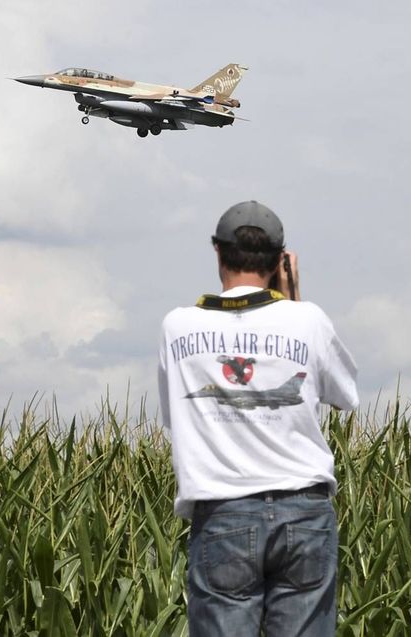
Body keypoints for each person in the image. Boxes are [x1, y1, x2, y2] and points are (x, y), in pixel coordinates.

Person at [157, 201, 358, 636]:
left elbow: (175, 418)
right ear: (281, 260)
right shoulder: (308, 319)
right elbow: (345, 396)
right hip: (303, 511)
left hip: (224, 510)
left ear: (217, 252)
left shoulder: (177, 326)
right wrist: (294, 301)